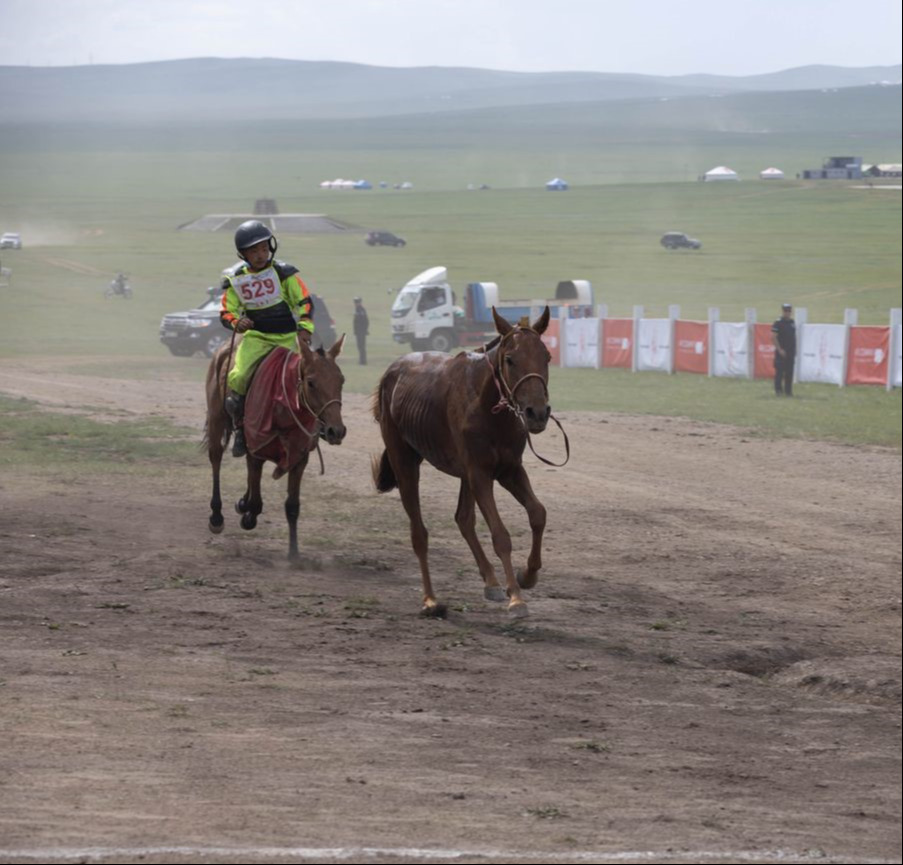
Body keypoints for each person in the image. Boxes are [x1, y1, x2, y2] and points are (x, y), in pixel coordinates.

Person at [220, 220, 314, 457]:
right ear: (243, 254)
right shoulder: (236, 280)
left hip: (287, 339)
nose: (261, 255)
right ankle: (240, 429)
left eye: (264, 248)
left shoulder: (284, 273)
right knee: (239, 377)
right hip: (256, 338)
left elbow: (304, 302)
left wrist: (305, 328)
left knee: (313, 378)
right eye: (254, 251)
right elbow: (226, 311)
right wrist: (236, 322)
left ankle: (317, 425)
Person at [771, 302, 797, 397]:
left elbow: (793, 337)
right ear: (783, 311)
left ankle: (788, 391)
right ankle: (778, 391)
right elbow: (773, 337)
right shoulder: (778, 322)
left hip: (790, 352)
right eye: (786, 311)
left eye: (789, 311)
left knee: (789, 373)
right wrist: (779, 349)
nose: (787, 313)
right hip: (781, 351)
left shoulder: (792, 322)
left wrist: (794, 350)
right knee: (780, 372)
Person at [353, 296, 369, 365]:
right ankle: (361, 360)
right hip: (358, 332)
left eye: (357, 302)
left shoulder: (361, 310)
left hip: (361, 331)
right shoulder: (357, 310)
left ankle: (363, 361)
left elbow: (366, 321)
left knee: (361, 346)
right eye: (355, 302)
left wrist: (365, 330)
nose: (356, 304)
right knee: (359, 346)